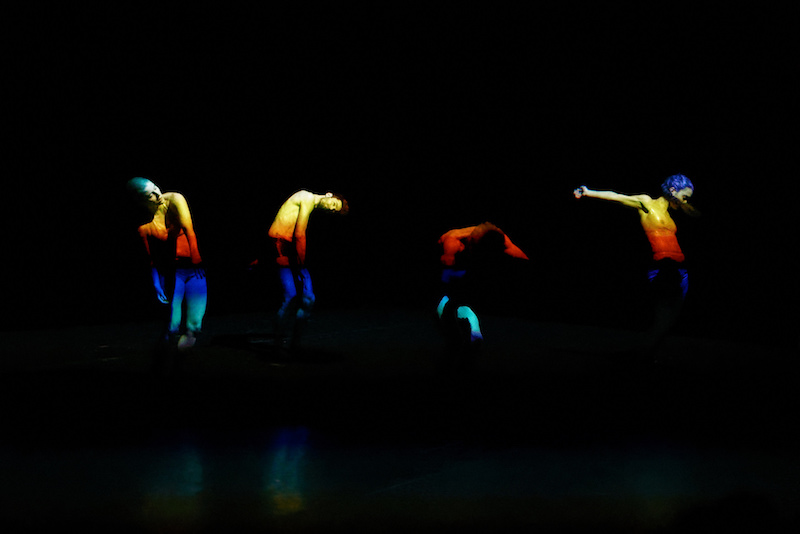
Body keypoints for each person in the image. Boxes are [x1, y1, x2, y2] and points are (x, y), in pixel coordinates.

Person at [573, 174, 698, 353]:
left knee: (673, 315)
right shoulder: (647, 203)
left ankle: (652, 350)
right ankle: (644, 350)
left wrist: (685, 205)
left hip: (680, 269)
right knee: (664, 314)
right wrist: (589, 192)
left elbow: (694, 213)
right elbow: (617, 196)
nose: (685, 201)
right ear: (672, 190)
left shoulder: (670, 214)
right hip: (663, 266)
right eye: (684, 197)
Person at [127, 178, 207, 370]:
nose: (157, 194)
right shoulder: (144, 227)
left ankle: (178, 364)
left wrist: (196, 256)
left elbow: (189, 229)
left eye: (156, 188)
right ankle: (162, 366)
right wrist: (156, 282)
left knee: (194, 327)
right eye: (150, 195)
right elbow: (152, 259)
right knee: (172, 327)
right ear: (141, 201)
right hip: (173, 273)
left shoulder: (174, 199)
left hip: (194, 270)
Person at [267, 190, 348, 350]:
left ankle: (294, 343)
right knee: (290, 296)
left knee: (308, 298)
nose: (331, 208)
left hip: (287, 248)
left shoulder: (308, 202)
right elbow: (299, 233)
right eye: (333, 204)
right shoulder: (307, 197)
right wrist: (302, 265)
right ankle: (279, 342)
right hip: (280, 247)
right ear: (329, 194)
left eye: (334, 210)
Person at [436, 222, 529, 349]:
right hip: (453, 272)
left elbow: (521, 258)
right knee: (449, 303)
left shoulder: (502, 240)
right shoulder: (452, 244)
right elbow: (445, 279)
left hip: (470, 270)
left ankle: (468, 331)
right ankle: (457, 333)